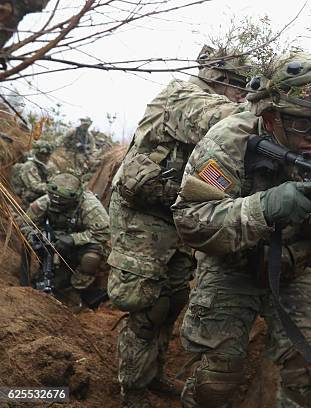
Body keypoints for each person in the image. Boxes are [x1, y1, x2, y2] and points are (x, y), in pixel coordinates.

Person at [171, 53, 311, 408]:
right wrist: (264, 207)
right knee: (218, 379)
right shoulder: (229, 141)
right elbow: (191, 220)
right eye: (303, 125)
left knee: (308, 367)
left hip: (297, 267)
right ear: (270, 117)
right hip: (232, 267)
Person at [106, 46, 251, 408]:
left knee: (171, 300)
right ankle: (133, 389)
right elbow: (223, 120)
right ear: (218, 79)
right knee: (144, 306)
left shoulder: (215, 100)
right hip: (141, 215)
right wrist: (276, 108)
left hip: (175, 213)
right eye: (239, 88)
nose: (243, 97)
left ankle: (152, 374)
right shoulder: (182, 96)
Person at [23, 172, 110, 303]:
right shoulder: (44, 203)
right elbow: (25, 224)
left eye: (62, 204)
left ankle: (77, 289)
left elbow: (104, 232)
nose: (57, 206)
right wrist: (36, 237)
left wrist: (74, 239)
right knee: (52, 281)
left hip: (80, 247)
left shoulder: (90, 206)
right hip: (53, 245)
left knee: (91, 259)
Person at [11, 140, 55, 209]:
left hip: (43, 193)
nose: (47, 157)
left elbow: (53, 178)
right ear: (37, 153)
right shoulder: (29, 166)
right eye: (44, 154)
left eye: (48, 154)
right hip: (29, 198)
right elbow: (34, 186)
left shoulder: (48, 164)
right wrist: (52, 188)